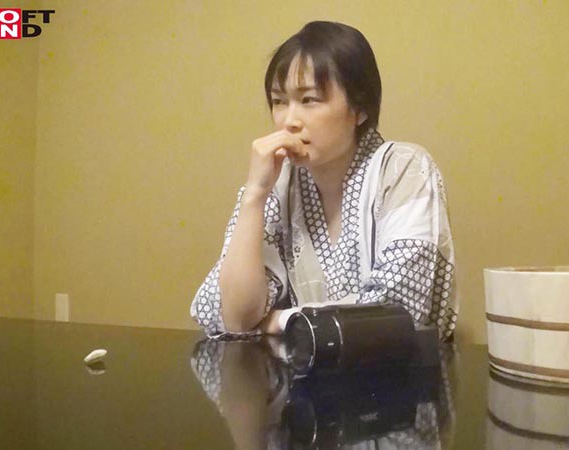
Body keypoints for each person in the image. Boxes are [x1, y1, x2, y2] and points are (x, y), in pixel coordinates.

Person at [191, 21, 457, 341]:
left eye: (309, 100)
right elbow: (234, 316)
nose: (289, 121)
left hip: (394, 370)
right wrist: (254, 195)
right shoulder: (277, 182)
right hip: (302, 369)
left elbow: (395, 311)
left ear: (358, 108)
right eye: (279, 101)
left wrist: (282, 320)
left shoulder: (403, 169)